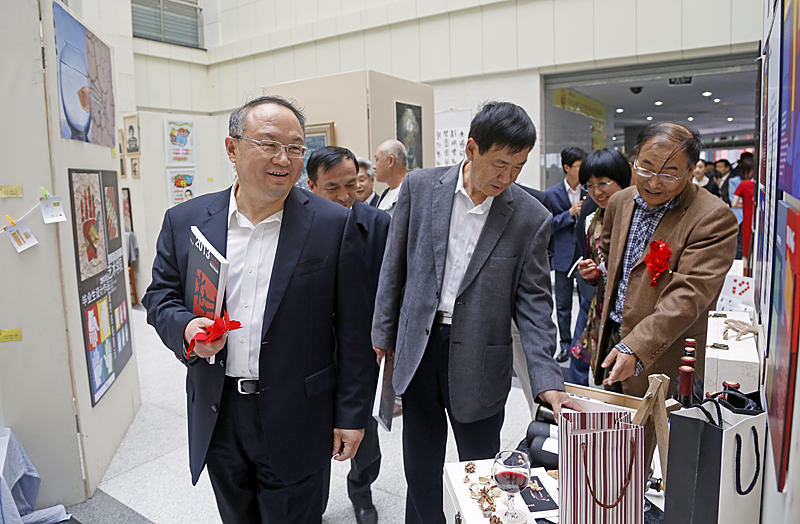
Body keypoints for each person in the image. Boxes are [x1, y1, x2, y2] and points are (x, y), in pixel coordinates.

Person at [142, 96, 374, 524]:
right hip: (218, 409)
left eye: (295, 147)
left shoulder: (333, 225)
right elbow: (159, 296)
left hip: (299, 412)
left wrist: (352, 415)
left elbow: (355, 330)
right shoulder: (186, 220)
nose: (283, 159)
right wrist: (187, 327)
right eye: (268, 144)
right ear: (232, 148)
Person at [371, 101, 581, 524]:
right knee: (421, 469)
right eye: (500, 164)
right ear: (471, 149)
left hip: (482, 359)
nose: (507, 177)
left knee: (483, 473)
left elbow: (535, 305)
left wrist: (548, 380)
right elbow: (394, 267)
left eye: (518, 167)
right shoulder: (420, 188)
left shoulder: (530, 216)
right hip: (419, 349)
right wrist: (382, 335)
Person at [595, 122, 738, 397]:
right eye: (645, 168)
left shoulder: (713, 217)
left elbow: (689, 294)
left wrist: (636, 345)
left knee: (658, 419)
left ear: (691, 170)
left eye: (669, 174)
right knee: (614, 417)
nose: (653, 182)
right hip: (614, 335)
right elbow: (609, 251)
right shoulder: (620, 201)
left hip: (666, 349)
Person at [307, 146, 390, 524]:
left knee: (363, 431)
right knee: (312, 432)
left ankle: (362, 492)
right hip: (313, 349)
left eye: (351, 184)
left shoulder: (379, 225)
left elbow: (391, 288)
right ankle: (314, 501)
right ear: (311, 186)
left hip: (362, 348)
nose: (344, 196)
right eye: (332, 187)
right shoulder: (299, 225)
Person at [573, 149, 632, 386]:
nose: (596, 192)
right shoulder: (592, 219)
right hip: (603, 309)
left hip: (634, 313)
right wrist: (591, 273)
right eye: (589, 185)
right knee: (608, 378)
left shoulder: (639, 216)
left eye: (603, 183)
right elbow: (599, 267)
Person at [545, 146, 588, 363]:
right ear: (567, 167)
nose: (583, 170)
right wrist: (569, 214)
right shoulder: (552, 194)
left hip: (585, 256)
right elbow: (547, 224)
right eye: (579, 166)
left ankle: (582, 346)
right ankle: (564, 345)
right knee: (562, 305)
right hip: (562, 256)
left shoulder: (589, 191)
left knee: (586, 303)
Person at [374, 139, 408, 216]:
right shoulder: (384, 194)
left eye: (377, 160)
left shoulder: (410, 194)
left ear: (390, 161)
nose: (374, 166)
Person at [732, 162, 756, 269]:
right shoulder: (764, 188)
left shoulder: (744, 184)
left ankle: (745, 275)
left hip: (747, 221)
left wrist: (746, 204)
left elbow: (734, 203)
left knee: (746, 254)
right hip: (760, 222)